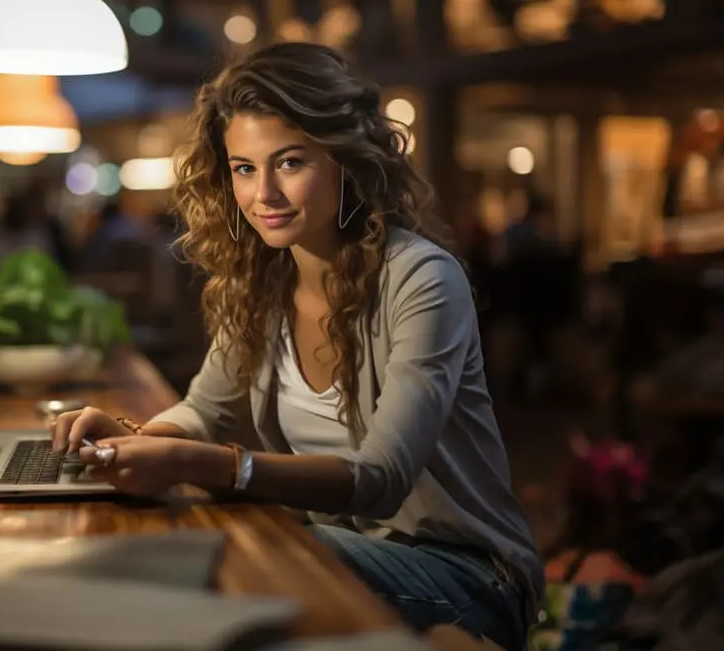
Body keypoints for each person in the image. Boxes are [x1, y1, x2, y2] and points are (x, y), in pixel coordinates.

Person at [51, 42, 543, 648]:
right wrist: (134, 442)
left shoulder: (421, 279)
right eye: (244, 169)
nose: (265, 196)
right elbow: (206, 410)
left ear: (345, 159)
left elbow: (381, 477)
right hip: (342, 547)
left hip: (469, 575)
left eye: (289, 162)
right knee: (188, 541)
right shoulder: (260, 279)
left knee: (245, 548)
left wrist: (199, 464)